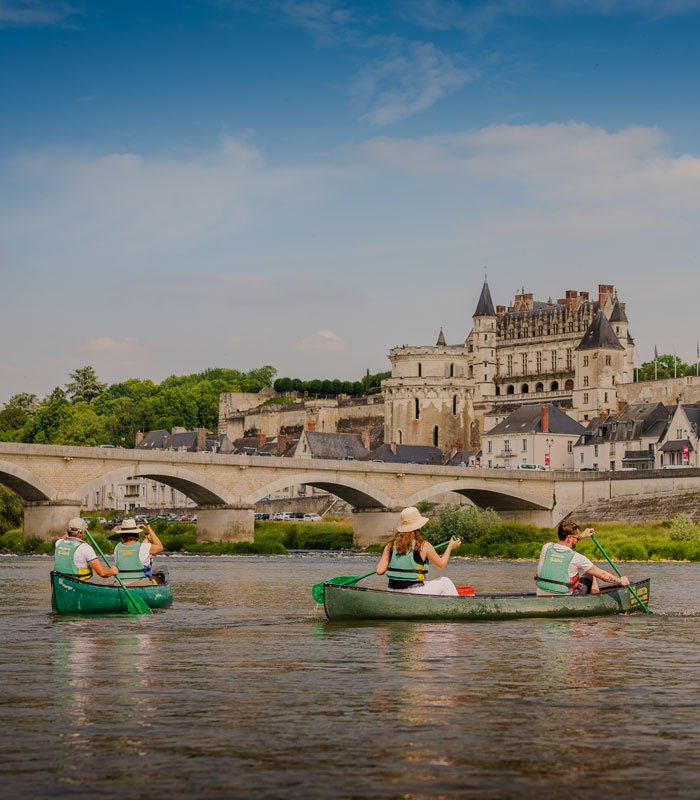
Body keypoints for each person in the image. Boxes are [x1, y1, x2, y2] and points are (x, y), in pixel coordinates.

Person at [376, 506, 461, 596]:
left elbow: (379, 571)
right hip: (415, 591)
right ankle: (455, 607)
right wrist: (450, 547)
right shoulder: (424, 545)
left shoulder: (390, 545)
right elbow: (441, 564)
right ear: (418, 527)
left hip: (392, 591)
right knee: (446, 582)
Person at [536, 519, 630, 596]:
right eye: (577, 537)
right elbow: (602, 575)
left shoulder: (546, 547)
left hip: (541, 593)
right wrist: (620, 581)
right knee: (590, 575)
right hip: (564, 596)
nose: (578, 539)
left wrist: (581, 536)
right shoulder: (577, 557)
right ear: (570, 538)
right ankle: (595, 604)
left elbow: (565, 543)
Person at [53, 517, 119, 581]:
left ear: (68, 531)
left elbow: (65, 537)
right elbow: (102, 573)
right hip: (78, 583)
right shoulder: (85, 548)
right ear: (82, 532)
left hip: (60, 580)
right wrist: (112, 571)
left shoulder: (58, 543)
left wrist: (72, 532)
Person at [109, 518, 163, 583]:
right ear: (137, 534)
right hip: (140, 583)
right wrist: (149, 527)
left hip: (120, 584)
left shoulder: (117, 547)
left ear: (121, 535)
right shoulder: (144, 547)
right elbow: (160, 547)